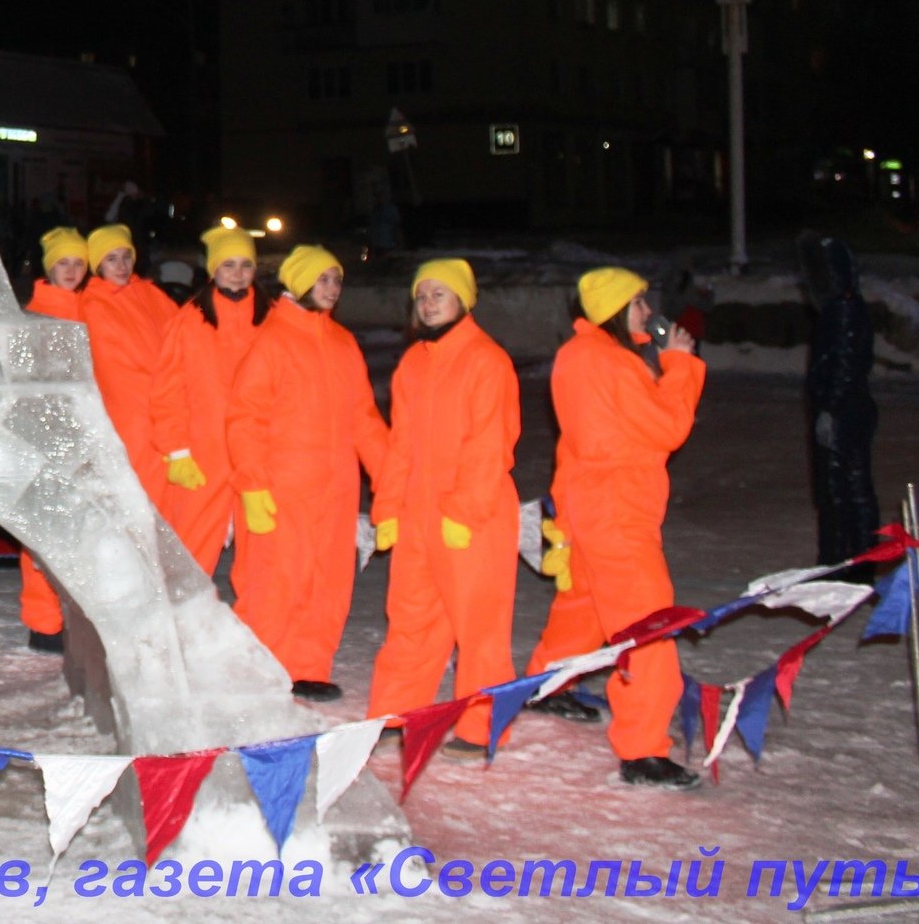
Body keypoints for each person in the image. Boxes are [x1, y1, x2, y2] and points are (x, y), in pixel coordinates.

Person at [523, 267, 707, 788]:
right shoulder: (613, 363)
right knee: (647, 626)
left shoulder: (576, 356)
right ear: (613, 310)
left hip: (586, 504)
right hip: (618, 512)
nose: (647, 313)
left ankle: (547, 684)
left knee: (584, 606)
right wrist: (681, 364)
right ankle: (643, 749)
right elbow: (668, 427)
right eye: (638, 305)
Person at [366, 258, 520, 749]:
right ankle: (394, 716)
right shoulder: (414, 362)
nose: (429, 303)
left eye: (439, 294)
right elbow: (401, 445)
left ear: (463, 300)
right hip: (418, 514)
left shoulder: (486, 359)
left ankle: (480, 726)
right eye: (422, 295)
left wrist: (464, 511)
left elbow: (489, 443)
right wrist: (388, 508)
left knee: (479, 627)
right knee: (410, 619)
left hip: (475, 516)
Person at [226, 244, 388, 700]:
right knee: (274, 584)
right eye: (322, 280)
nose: (332, 288)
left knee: (327, 580)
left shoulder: (342, 343)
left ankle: (309, 666)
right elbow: (245, 419)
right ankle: (263, 670)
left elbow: (365, 420)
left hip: (335, 490)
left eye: (337, 279)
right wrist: (253, 486)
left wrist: (389, 483)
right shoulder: (272, 340)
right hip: (281, 488)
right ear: (298, 283)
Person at [150, 226, 268, 579]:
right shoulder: (188, 321)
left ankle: (255, 624)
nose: (237, 272)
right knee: (193, 543)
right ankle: (186, 620)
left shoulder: (272, 319)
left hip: (259, 452)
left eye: (245, 264)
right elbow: (167, 390)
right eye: (228, 264)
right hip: (205, 452)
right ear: (213, 268)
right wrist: (177, 449)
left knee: (262, 549)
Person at [17, 226, 90, 649]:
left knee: (78, 531)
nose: (72, 270)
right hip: (47, 439)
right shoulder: (35, 314)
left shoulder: (88, 309)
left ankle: (71, 615)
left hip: (84, 437)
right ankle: (43, 621)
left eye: (78, 262)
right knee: (43, 530)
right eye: (64, 262)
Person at [81, 223, 179, 510]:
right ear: (98, 264)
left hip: (164, 404)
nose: (122, 266)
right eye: (111, 259)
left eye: (126, 256)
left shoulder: (149, 293)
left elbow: (180, 334)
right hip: (133, 412)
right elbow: (114, 365)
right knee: (139, 480)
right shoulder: (94, 302)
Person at [800, 234, 881, 563]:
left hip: (845, 413)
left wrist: (830, 410)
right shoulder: (840, 308)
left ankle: (849, 560)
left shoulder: (845, 309)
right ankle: (843, 557)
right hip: (844, 410)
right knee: (838, 490)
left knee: (845, 489)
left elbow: (845, 366)